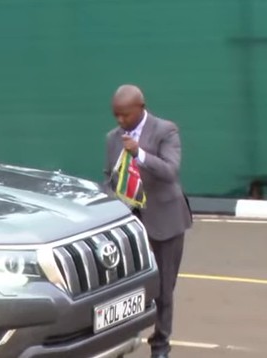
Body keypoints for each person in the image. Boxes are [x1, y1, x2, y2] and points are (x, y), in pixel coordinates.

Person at [103, 84, 193, 358]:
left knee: (164, 290)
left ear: (141, 108)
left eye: (125, 115)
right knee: (124, 290)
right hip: (130, 226)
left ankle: (160, 346)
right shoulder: (112, 138)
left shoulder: (166, 131)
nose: (120, 121)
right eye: (116, 115)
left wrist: (139, 154)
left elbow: (170, 171)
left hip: (165, 223)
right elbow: (110, 177)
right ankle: (119, 341)